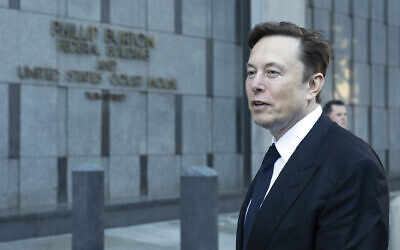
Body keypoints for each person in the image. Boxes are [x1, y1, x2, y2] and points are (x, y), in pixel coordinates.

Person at [236, 22, 389, 250]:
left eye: (272, 72)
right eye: (251, 72)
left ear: (313, 85)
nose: (255, 84)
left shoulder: (353, 166)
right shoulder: (277, 156)